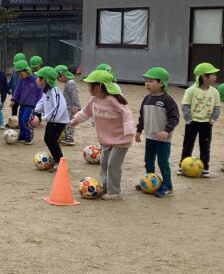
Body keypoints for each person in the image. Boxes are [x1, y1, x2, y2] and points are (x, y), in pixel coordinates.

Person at [70, 70, 134, 200]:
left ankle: (114, 192)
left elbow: (126, 114)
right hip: (106, 140)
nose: (88, 88)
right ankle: (106, 187)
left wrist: (129, 131)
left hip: (121, 140)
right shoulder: (94, 100)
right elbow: (86, 112)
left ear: (98, 87)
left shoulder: (112, 100)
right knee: (104, 162)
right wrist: (74, 121)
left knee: (113, 165)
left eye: (90, 86)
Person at [134, 67, 179, 197]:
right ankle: (149, 182)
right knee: (148, 160)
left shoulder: (167, 100)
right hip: (149, 137)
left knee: (163, 162)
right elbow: (142, 116)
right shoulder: (146, 99)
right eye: (146, 81)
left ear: (161, 83)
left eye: (151, 81)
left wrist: (167, 130)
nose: (147, 84)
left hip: (163, 139)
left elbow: (174, 118)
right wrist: (138, 130)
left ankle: (167, 186)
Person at [179, 62, 220, 177]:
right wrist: (188, 120)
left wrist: (212, 120)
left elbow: (217, 107)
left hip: (206, 124)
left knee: (205, 146)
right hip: (192, 123)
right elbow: (185, 105)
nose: (215, 76)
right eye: (213, 74)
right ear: (204, 77)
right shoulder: (191, 90)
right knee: (187, 144)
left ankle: (205, 167)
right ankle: (183, 166)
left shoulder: (215, 92)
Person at [30, 66, 70, 172]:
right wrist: (36, 111)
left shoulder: (54, 91)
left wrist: (46, 118)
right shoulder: (46, 91)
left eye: (38, 78)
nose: (36, 80)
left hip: (59, 121)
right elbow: (42, 102)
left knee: (52, 140)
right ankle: (56, 159)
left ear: (45, 80)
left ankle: (60, 162)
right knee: (47, 139)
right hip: (52, 120)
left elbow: (59, 107)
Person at [10, 59, 42, 145]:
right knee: (20, 121)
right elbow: (17, 91)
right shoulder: (21, 80)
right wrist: (14, 99)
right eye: (18, 74)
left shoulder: (35, 79)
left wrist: (38, 105)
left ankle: (29, 136)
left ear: (27, 70)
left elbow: (40, 93)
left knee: (26, 120)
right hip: (22, 104)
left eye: (20, 73)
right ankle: (22, 135)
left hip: (31, 105)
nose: (19, 76)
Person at [55, 65, 81, 146]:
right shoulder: (68, 83)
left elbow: (74, 95)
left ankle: (69, 138)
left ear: (62, 75)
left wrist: (75, 106)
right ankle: (67, 136)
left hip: (72, 107)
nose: (58, 80)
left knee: (69, 123)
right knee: (66, 122)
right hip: (68, 107)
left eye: (58, 77)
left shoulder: (70, 83)